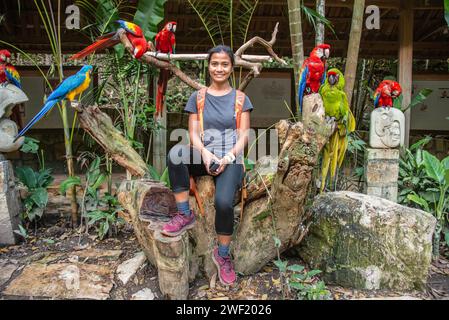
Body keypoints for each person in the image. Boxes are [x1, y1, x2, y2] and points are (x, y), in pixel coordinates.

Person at [162, 45, 253, 286]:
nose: (219, 68)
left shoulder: (241, 99)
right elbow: (192, 132)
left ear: (231, 67)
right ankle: (184, 214)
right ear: (209, 66)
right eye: (215, 64)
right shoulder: (198, 97)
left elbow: (244, 135)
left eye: (224, 64)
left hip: (231, 159)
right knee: (176, 154)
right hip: (205, 156)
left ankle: (222, 256)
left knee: (223, 203)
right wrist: (204, 154)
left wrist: (226, 158)